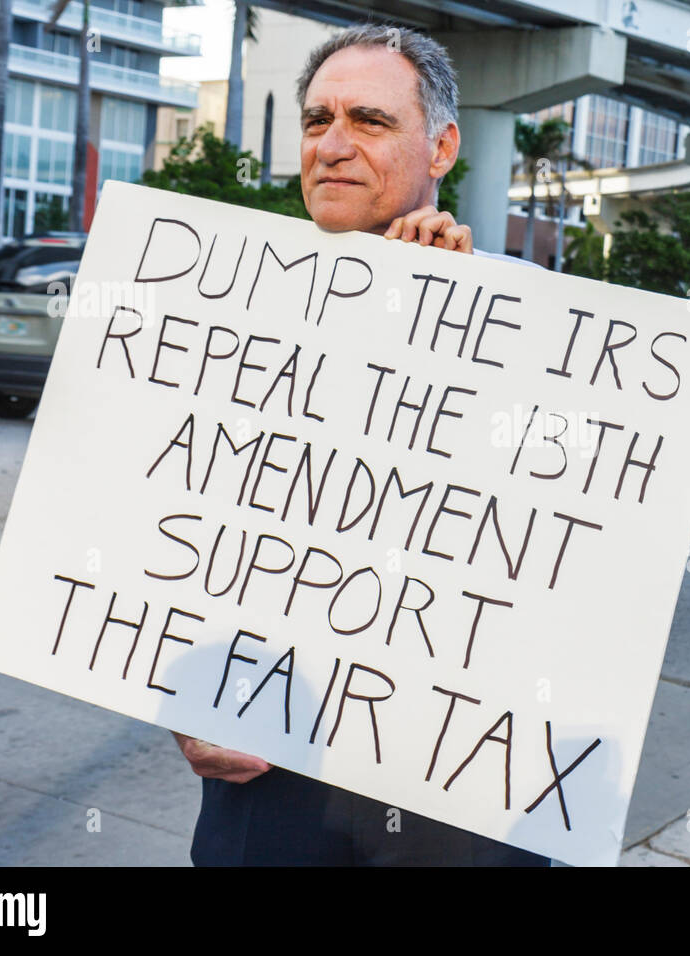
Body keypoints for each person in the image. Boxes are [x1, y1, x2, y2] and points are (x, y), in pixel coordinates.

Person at [171, 23, 547, 866]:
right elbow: (172, 537)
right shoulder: (224, 311)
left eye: (369, 121)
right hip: (267, 775)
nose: (333, 146)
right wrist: (182, 701)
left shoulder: (537, 330)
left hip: (454, 787)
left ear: (442, 145)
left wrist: (453, 325)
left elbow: (560, 545)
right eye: (316, 121)